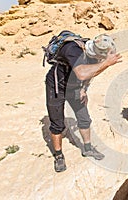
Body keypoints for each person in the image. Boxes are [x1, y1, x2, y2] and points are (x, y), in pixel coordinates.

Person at [45, 33, 122, 172]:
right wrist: (106, 63)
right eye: (101, 58)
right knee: (58, 124)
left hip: (74, 87)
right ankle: (58, 155)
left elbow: (92, 72)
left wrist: (84, 89)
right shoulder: (73, 49)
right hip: (57, 86)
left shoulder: (94, 56)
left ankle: (87, 148)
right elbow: (81, 73)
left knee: (84, 118)